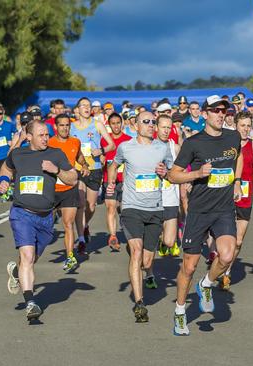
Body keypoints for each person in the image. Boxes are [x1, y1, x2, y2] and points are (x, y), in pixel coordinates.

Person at [167, 95, 243, 336]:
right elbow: (173, 175)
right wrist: (197, 173)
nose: (222, 114)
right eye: (217, 110)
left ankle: (207, 283)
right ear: (206, 113)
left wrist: (238, 181)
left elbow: (237, 157)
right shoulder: (193, 143)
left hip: (223, 209)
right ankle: (180, 312)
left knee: (228, 255)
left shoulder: (233, 136)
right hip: (199, 210)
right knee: (189, 267)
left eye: (225, 110)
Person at [1, 121, 78, 321]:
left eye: (47, 134)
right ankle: (31, 302)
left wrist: (56, 171)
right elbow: (6, 169)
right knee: (27, 256)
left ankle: (17, 271)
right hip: (22, 213)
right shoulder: (17, 154)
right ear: (29, 136)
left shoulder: (56, 154)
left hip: (46, 217)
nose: (46, 138)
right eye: (41, 135)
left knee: (32, 258)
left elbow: (73, 178)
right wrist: (3, 181)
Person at [106, 111, 173, 322]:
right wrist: (110, 183)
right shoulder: (126, 147)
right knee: (136, 253)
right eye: (147, 122)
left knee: (146, 260)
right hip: (132, 207)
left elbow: (172, 172)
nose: (151, 125)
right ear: (135, 125)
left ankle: (138, 252)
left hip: (154, 209)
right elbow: (113, 164)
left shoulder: (163, 148)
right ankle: (139, 303)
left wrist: (166, 173)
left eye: (153, 122)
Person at [220, 110, 253, 290]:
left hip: (245, 196)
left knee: (239, 240)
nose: (246, 129)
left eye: (249, 126)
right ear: (235, 125)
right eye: (243, 126)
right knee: (226, 236)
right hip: (225, 195)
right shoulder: (226, 144)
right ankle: (222, 265)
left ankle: (226, 271)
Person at [70, 97, 115, 253]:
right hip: (78, 169)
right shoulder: (72, 127)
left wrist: (101, 151)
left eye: (89, 106)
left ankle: (85, 225)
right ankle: (81, 239)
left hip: (95, 168)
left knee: (91, 206)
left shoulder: (97, 125)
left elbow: (111, 144)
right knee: (81, 204)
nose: (87, 108)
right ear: (77, 109)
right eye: (84, 106)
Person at [48, 113, 89, 272]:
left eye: (67, 125)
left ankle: (70, 256)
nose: (65, 128)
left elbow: (79, 156)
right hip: (51, 189)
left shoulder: (75, 142)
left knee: (68, 223)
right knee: (45, 224)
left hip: (69, 188)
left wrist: (84, 165)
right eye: (62, 125)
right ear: (55, 127)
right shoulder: (49, 143)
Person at [101, 112, 132, 251]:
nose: (116, 126)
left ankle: (129, 233)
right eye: (113, 123)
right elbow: (102, 159)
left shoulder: (129, 140)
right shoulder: (104, 140)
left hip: (125, 180)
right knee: (110, 207)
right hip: (109, 180)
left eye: (118, 123)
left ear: (122, 123)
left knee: (124, 210)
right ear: (109, 125)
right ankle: (113, 236)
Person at [156, 114, 182, 262]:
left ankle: (163, 240)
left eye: (168, 127)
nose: (166, 131)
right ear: (156, 127)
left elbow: (182, 170)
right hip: (154, 198)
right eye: (163, 127)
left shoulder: (175, 147)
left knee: (170, 242)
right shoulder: (150, 146)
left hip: (171, 197)